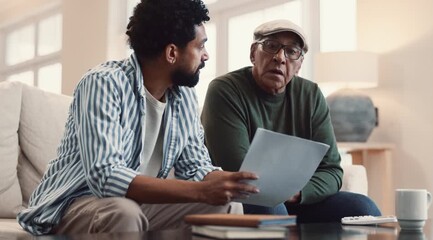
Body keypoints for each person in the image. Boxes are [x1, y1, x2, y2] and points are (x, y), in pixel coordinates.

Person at [17, 0, 259, 235]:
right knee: (124, 212)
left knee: (228, 207)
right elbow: (106, 176)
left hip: (136, 203)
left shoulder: (184, 96)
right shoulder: (103, 83)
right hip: (75, 204)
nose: (205, 55)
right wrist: (200, 191)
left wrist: (235, 183)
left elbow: (195, 166)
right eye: (200, 46)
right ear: (172, 52)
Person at [201, 19, 381, 222]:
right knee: (272, 208)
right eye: (270, 46)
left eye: (292, 51)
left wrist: (299, 192)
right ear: (253, 53)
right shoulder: (225, 90)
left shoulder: (311, 95)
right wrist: (283, 189)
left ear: (299, 65)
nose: (280, 57)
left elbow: (331, 170)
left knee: (363, 207)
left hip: (297, 200)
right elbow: (239, 171)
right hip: (242, 197)